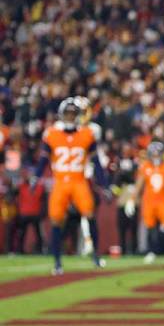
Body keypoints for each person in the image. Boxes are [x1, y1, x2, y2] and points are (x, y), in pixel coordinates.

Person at [41, 97, 106, 275]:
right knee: (55, 220)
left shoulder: (87, 134)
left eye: (73, 113)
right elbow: (43, 160)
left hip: (79, 180)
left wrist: (104, 183)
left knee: (90, 214)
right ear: (62, 115)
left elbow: (96, 162)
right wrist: (36, 176)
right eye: (68, 113)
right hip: (60, 181)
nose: (70, 116)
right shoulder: (52, 134)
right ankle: (57, 261)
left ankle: (96, 255)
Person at [10, 168, 45, 254]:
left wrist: (43, 213)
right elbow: (12, 195)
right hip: (24, 214)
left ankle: (39, 250)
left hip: (35, 213)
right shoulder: (21, 186)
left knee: (38, 234)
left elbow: (43, 200)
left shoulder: (39, 186)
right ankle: (20, 250)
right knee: (22, 234)